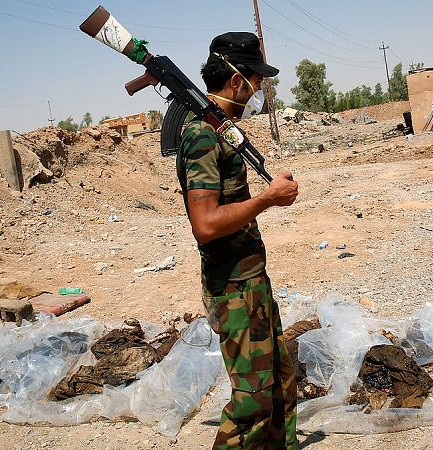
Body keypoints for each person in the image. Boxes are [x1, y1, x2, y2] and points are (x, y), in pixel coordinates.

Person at [176, 31, 299, 449]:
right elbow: (206, 224)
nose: (259, 89)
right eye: (256, 80)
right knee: (252, 402)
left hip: (251, 281)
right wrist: (267, 199)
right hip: (233, 289)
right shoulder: (201, 135)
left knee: (279, 382)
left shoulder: (220, 127)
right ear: (235, 81)